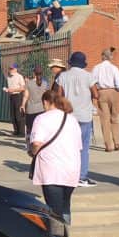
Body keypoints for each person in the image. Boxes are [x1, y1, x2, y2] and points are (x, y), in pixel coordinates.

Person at [27, 86, 81, 223]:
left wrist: (32, 152)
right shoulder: (72, 119)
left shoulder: (41, 119)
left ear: (46, 102)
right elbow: (79, 145)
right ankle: (66, 234)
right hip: (71, 169)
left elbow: (36, 143)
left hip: (52, 170)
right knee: (65, 206)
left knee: (54, 211)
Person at [59, 51, 98, 187]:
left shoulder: (63, 76)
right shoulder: (88, 76)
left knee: (69, 146)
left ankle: (68, 174)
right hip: (85, 115)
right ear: (83, 63)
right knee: (84, 148)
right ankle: (82, 176)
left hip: (69, 116)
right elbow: (96, 94)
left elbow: (59, 95)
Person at [92, 47, 119, 152]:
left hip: (102, 92)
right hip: (113, 91)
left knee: (104, 119)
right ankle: (117, 142)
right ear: (110, 57)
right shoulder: (114, 68)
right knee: (114, 117)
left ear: (102, 56)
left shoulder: (96, 68)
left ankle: (108, 145)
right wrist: (117, 90)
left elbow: (92, 82)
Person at [23, 66, 49, 138]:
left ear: (34, 73)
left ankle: (29, 145)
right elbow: (46, 96)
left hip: (31, 110)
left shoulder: (29, 83)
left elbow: (26, 96)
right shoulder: (45, 83)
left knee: (29, 129)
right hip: (42, 109)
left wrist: (22, 105)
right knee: (40, 128)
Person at [2, 64, 27, 137]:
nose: (11, 70)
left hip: (18, 95)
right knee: (12, 114)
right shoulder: (8, 77)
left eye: (12, 69)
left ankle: (21, 132)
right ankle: (16, 130)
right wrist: (8, 90)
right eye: (10, 68)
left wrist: (13, 90)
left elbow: (23, 88)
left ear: (16, 69)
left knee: (18, 114)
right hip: (11, 96)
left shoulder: (19, 77)